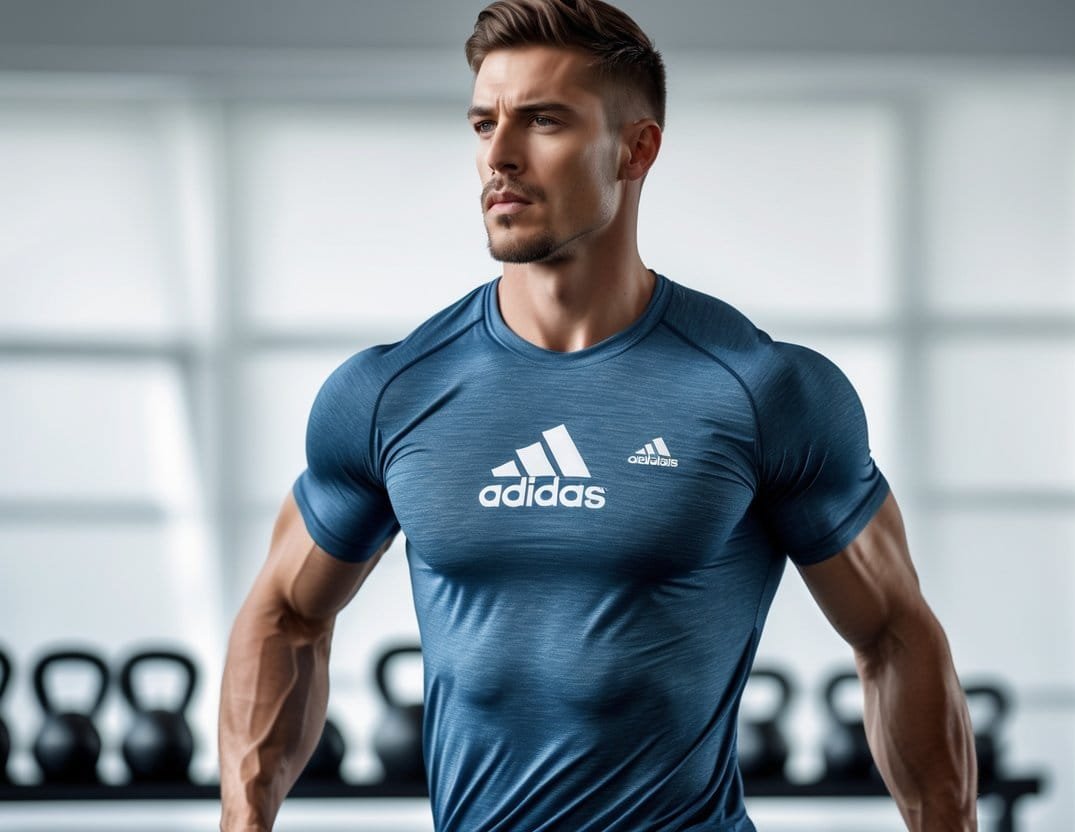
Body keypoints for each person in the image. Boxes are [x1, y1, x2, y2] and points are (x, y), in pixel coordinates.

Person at [218, 0, 978, 829]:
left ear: (635, 148)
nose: (499, 156)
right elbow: (287, 614)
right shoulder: (390, 392)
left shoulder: (762, 389)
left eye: (543, 121)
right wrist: (242, 820)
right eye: (484, 124)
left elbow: (893, 635)